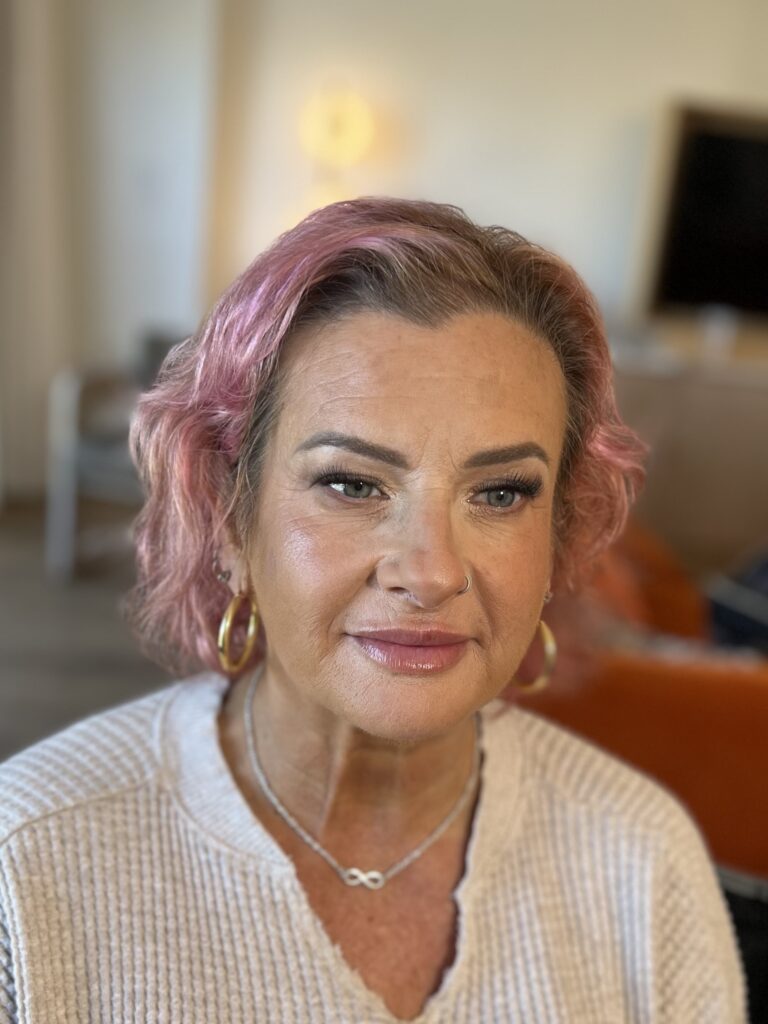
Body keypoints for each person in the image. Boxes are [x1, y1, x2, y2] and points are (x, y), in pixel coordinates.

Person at [0, 198, 746, 1023]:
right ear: (228, 518)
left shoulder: (643, 859)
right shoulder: (28, 865)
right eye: (352, 484)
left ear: (558, 535)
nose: (431, 572)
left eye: (501, 493)